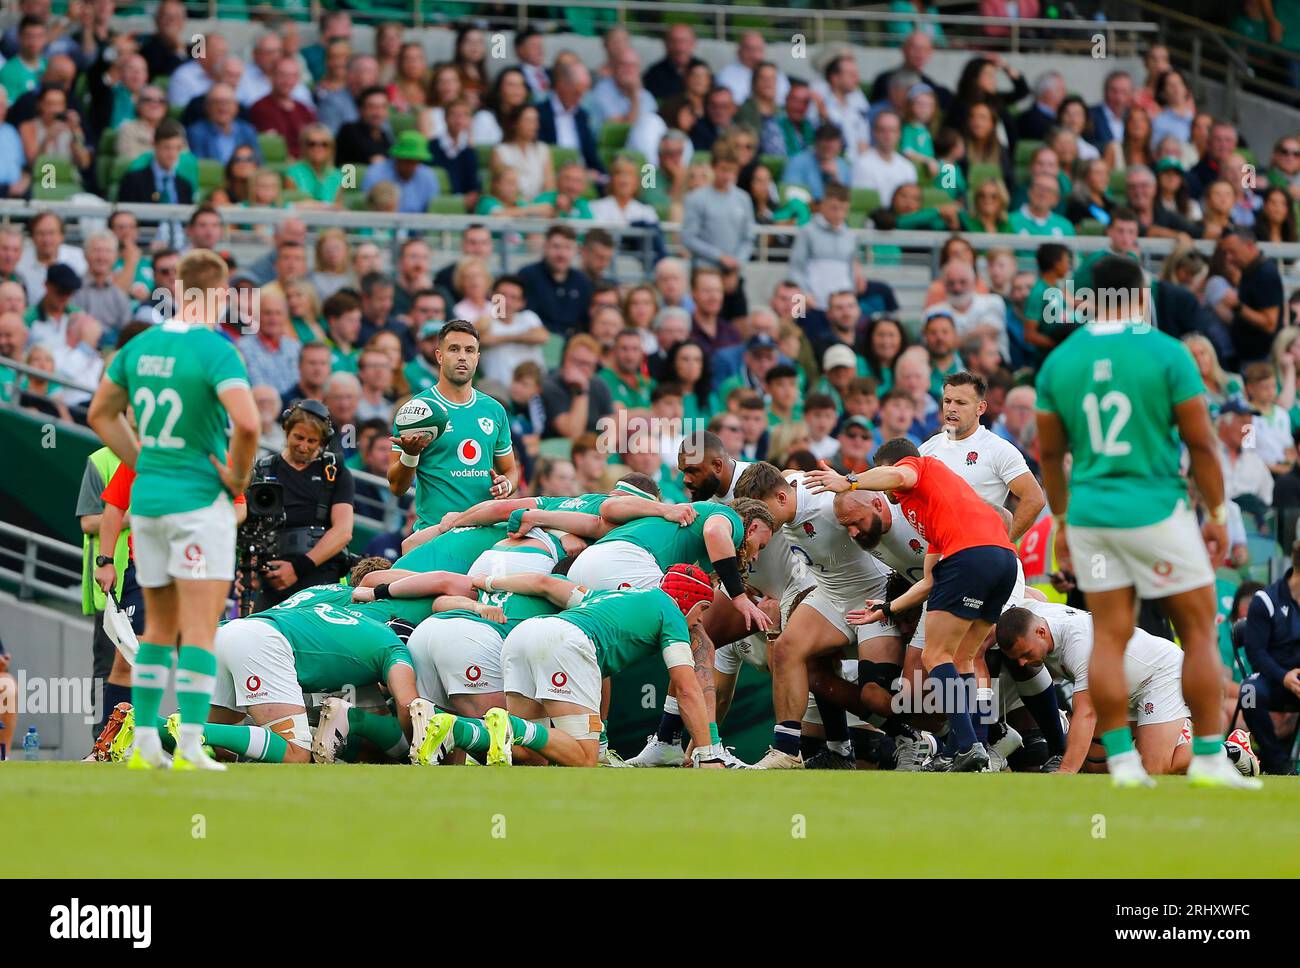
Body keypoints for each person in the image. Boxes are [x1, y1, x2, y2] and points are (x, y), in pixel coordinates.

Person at [1034, 254, 1259, 790]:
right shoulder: (1167, 352)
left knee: (1108, 638)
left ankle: (1125, 764)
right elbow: (1202, 443)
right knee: (1200, 631)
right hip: (1156, 508)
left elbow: (1048, 456)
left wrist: (1063, 522)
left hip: (1090, 513)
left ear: (1087, 300)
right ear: (1140, 296)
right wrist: (1219, 513)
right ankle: (1207, 756)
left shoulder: (1058, 364)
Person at [86, 249, 259, 772]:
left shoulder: (140, 346)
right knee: (200, 630)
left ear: (177, 290)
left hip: (150, 503)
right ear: (220, 294)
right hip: (198, 502)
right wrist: (237, 477)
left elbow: (100, 413)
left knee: (157, 630)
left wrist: (144, 460)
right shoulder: (217, 350)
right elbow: (248, 425)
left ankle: (141, 740)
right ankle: (188, 744)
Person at [733, 462, 901, 770]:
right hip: (830, 596)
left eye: (764, 511)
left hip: (872, 598)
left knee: (876, 695)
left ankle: (912, 735)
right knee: (786, 649)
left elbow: (879, 507)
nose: (762, 521)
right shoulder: (787, 488)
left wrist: (852, 481)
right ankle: (787, 751)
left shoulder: (827, 504)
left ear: (782, 499)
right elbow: (785, 474)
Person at [998, 601, 1197, 775]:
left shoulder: (1080, 646)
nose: (1022, 663)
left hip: (1159, 676)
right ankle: (1168, 736)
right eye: (1016, 658)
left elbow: (1087, 713)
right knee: (1093, 766)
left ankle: (1220, 751)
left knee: (1153, 769)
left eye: (1025, 654)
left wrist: (1066, 771)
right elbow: (1033, 595)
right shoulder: (1034, 615)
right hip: (1120, 688)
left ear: (1041, 632)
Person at [388, 319, 518, 536]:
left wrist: (507, 485)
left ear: (477, 358)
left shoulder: (494, 410)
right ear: (439, 356)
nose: (462, 357)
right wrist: (410, 455)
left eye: (469, 350)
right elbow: (397, 488)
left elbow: (511, 470)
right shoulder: (416, 411)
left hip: (483, 533)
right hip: (435, 532)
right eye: (454, 349)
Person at [919, 370, 1046, 540]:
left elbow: (1035, 498)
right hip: (936, 556)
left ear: (981, 408)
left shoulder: (997, 449)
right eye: (947, 401)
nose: (951, 408)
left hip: (979, 553)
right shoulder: (927, 448)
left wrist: (1002, 543)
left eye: (961, 403)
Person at [1241, 548, 1300, 774]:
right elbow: (1256, 654)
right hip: (1274, 679)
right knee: (1249, 691)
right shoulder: (1265, 600)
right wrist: (1284, 677)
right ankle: (1276, 762)